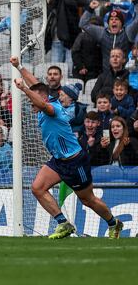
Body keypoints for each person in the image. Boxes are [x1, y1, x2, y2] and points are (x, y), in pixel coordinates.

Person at [11, 56, 125, 239]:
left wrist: (23, 88)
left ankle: (114, 223)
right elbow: (38, 86)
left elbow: (39, 99)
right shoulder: (45, 100)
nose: (30, 102)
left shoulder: (51, 109)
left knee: (88, 200)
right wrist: (19, 67)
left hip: (75, 161)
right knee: (37, 188)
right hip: (58, 160)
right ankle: (63, 223)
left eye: (32, 99)